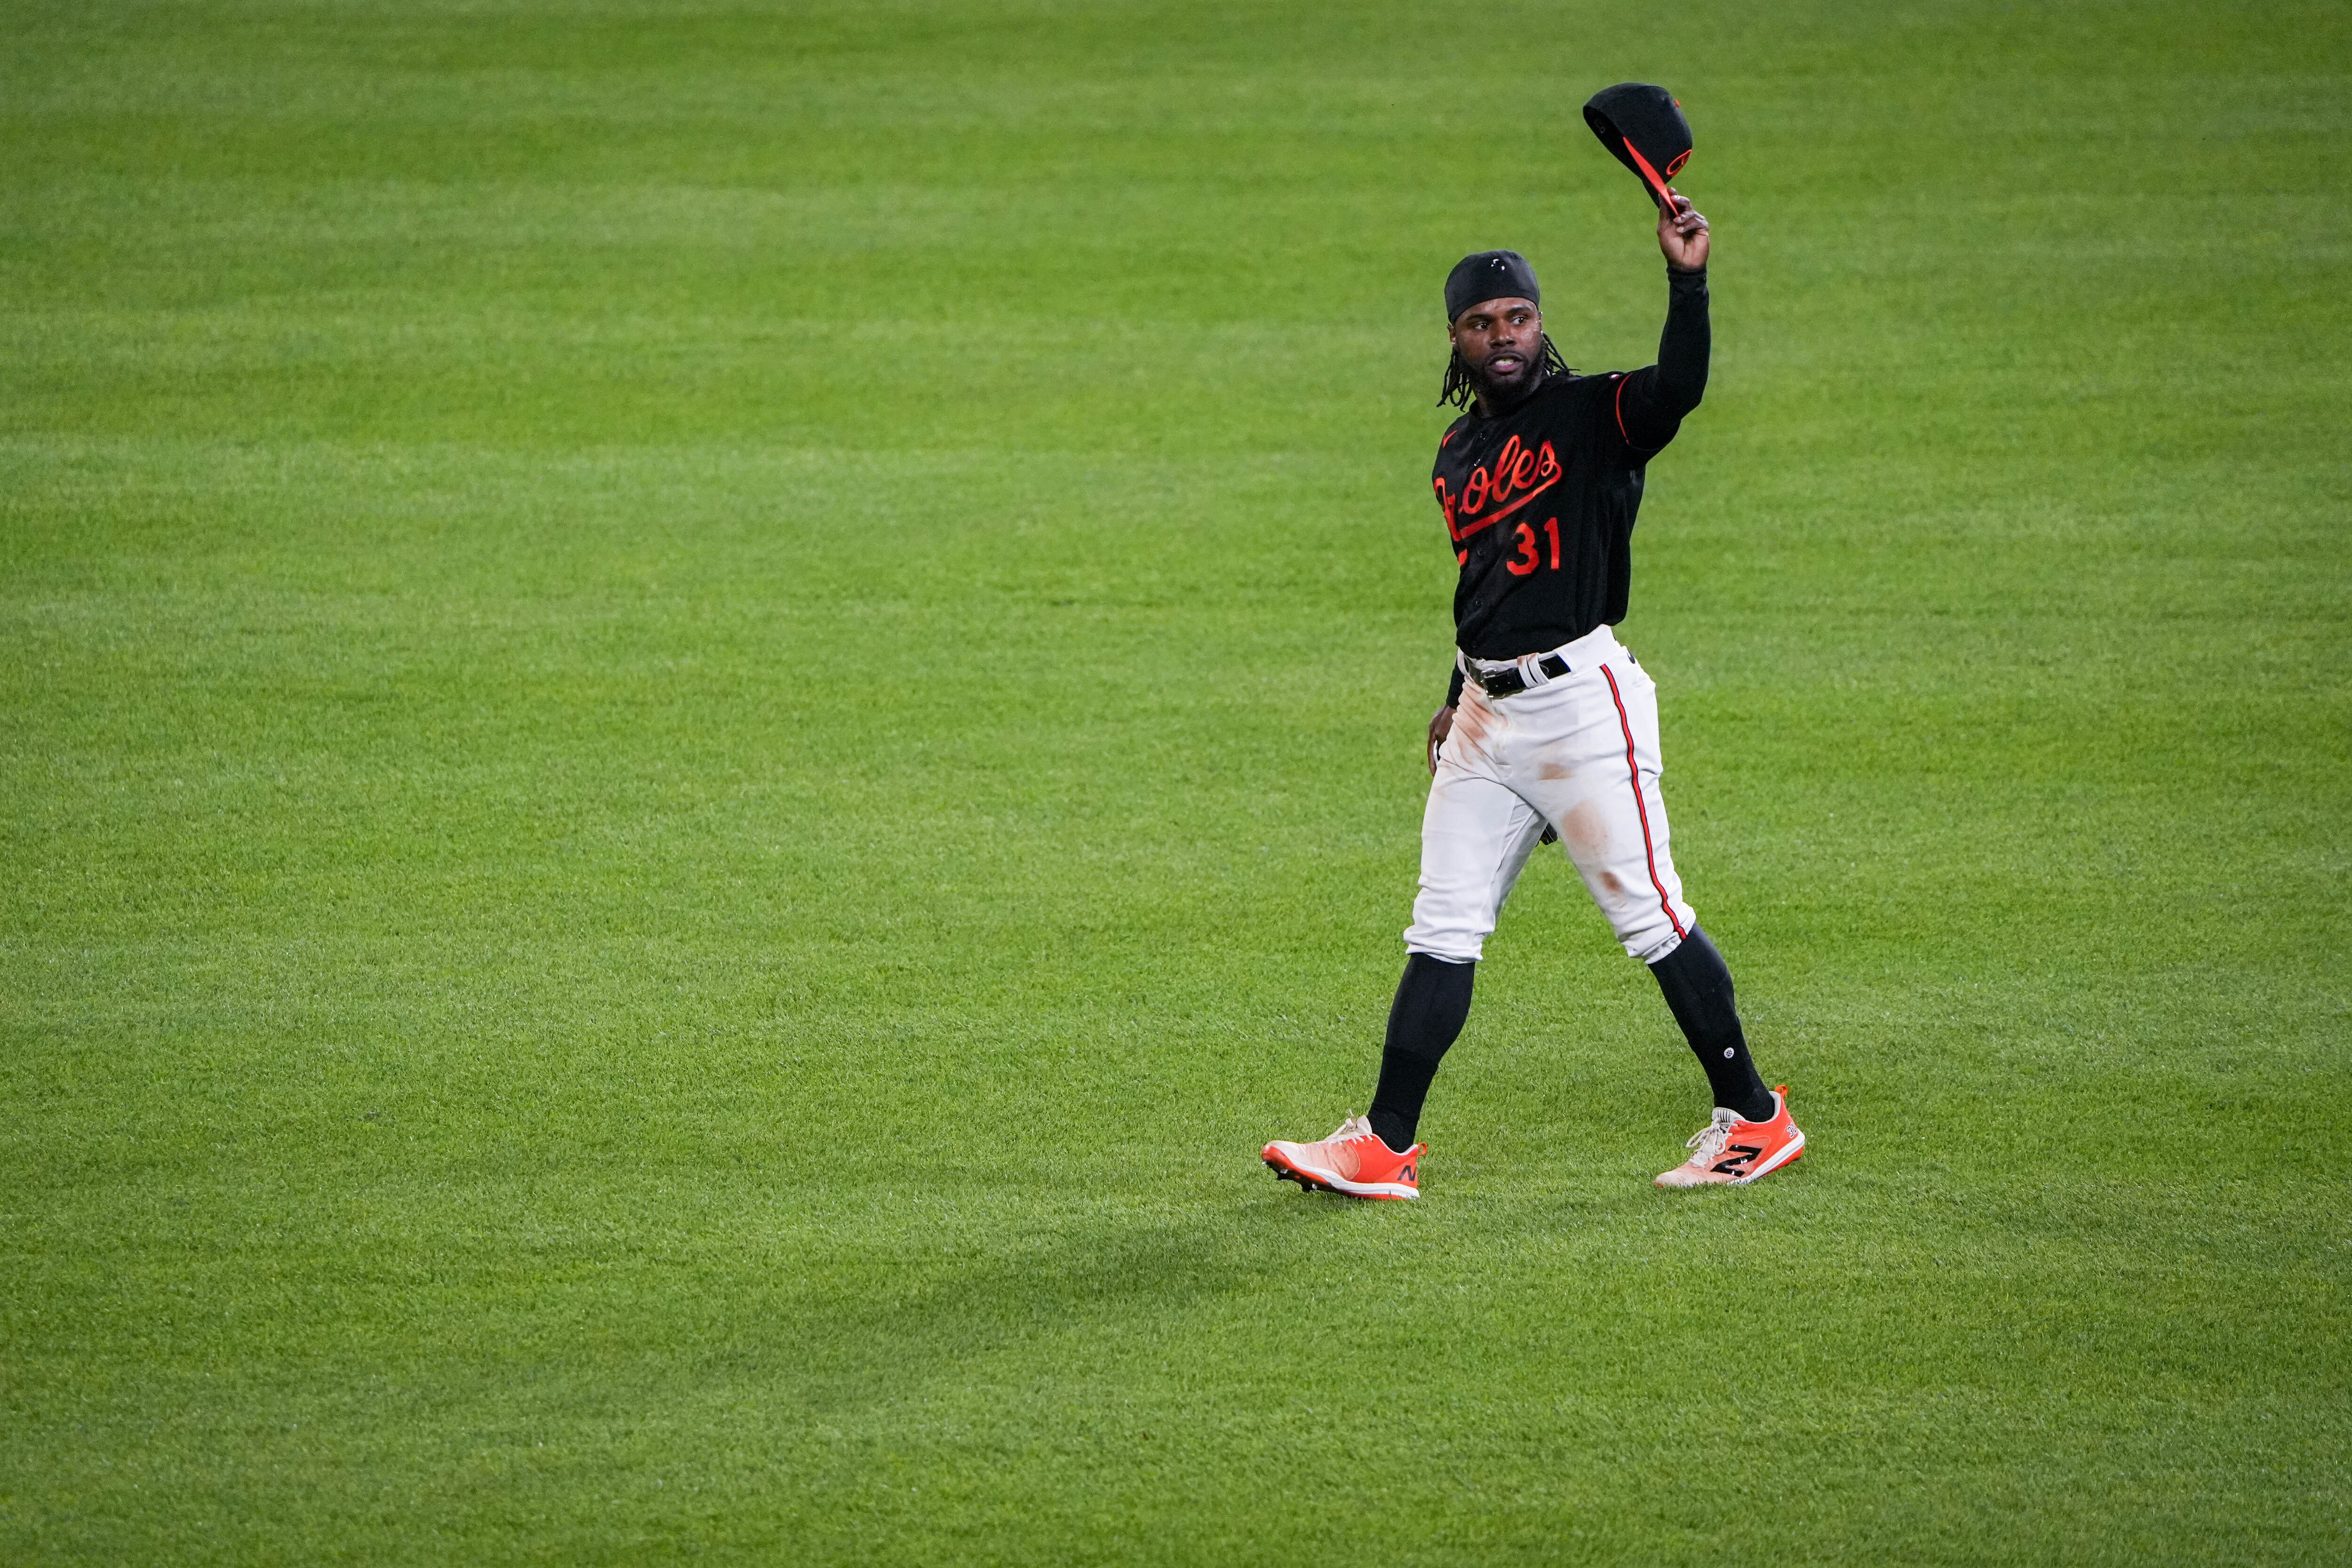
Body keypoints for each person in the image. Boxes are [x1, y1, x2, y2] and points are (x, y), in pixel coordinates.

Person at [1261, 189, 1805, 1199]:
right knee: (1443, 922)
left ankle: (1758, 1120)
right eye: (1480, 323)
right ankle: (1385, 1145)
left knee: (1648, 914)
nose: (1501, 336)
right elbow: (1490, 577)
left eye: (1516, 318)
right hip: (1483, 716)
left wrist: (1687, 278)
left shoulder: (1595, 416)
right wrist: (1452, 688)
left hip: (1580, 711)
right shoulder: (1456, 454)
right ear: (1456, 341)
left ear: (1539, 324)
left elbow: (1678, 388)